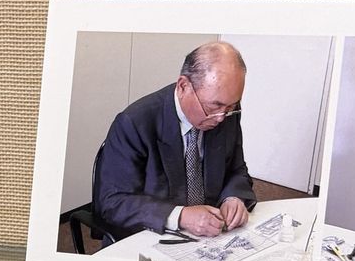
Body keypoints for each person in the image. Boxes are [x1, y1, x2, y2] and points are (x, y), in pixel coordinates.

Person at [93, 42, 256, 242]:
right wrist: (180, 216)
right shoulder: (134, 123)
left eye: (231, 106)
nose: (221, 117)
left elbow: (237, 170)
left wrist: (233, 197)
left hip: (209, 234)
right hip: (149, 235)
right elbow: (113, 202)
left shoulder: (226, 113)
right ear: (183, 86)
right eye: (214, 106)